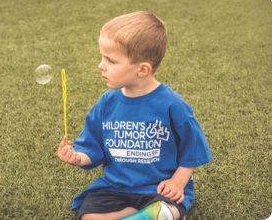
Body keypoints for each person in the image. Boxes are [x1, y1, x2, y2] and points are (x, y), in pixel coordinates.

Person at [57, 11, 212, 220]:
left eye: (110, 60)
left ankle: (160, 213)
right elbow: (92, 147)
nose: (101, 65)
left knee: (170, 205)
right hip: (115, 187)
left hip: (158, 188)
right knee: (88, 216)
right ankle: (145, 216)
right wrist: (77, 157)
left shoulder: (172, 104)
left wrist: (178, 182)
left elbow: (192, 149)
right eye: (102, 57)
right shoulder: (106, 103)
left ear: (142, 70)